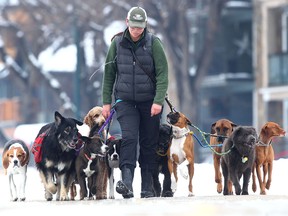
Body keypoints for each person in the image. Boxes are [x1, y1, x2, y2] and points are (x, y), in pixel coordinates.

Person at [101, 6, 168, 199]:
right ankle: (127, 183)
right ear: (127, 22)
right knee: (129, 138)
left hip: (150, 103)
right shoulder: (117, 43)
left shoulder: (154, 43)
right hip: (125, 101)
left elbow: (163, 74)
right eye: (133, 26)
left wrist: (158, 101)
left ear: (145, 25)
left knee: (148, 143)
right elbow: (109, 74)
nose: (136, 30)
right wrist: (106, 102)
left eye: (140, 27)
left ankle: (147, 186)